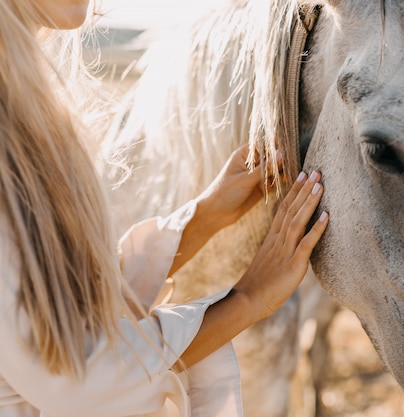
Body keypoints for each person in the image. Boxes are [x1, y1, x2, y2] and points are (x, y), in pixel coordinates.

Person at [0, 1, 329, 416]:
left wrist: (205, 216)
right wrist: (247, 299)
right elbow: (80, 378)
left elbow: (67, 301)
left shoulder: (23, 104)